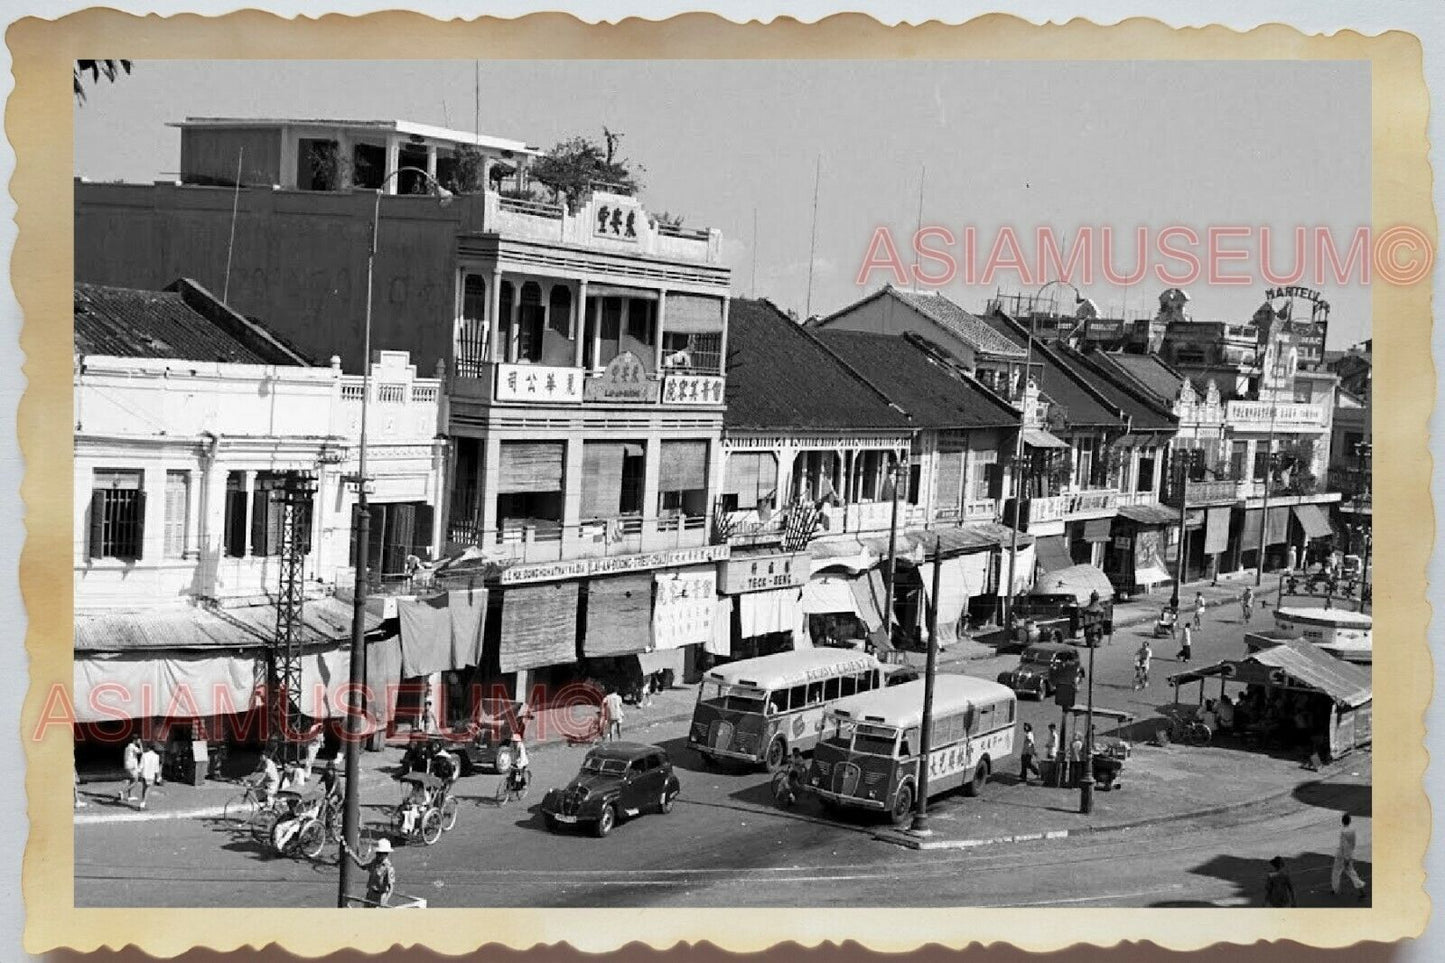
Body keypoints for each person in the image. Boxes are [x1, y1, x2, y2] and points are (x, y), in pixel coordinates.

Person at [341, 836, 396, 908]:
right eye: (377, 853)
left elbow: (391, 888)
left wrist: (384, 901)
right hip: (370, 894)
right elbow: (362, 865)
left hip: (380, 896)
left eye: (380, 854)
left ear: (385, 854)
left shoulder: (388, 868)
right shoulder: (375, 862)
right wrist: (351, 853)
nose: (377, 855)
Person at [1332, 813, 1367, 900]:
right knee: (1351, 872)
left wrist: (1346, 858)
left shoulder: (1343, 832)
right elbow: (1352, 844)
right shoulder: (1352, 830)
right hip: (1350, 853)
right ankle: (1361, 888)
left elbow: (1344, 846)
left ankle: (1335, 889)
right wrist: (1349, 856)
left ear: (1342, 821)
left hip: (1342, 855)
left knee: (1336, 872)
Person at [118, 735, 145, 806]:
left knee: (131, 780)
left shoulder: (128, 747)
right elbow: (141, 752)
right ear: (135, 740)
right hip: (132, 766)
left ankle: (130, 796)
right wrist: (140, 744)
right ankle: (122, 792)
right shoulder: (132, 746)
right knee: (135, 781)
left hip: (127, 765)